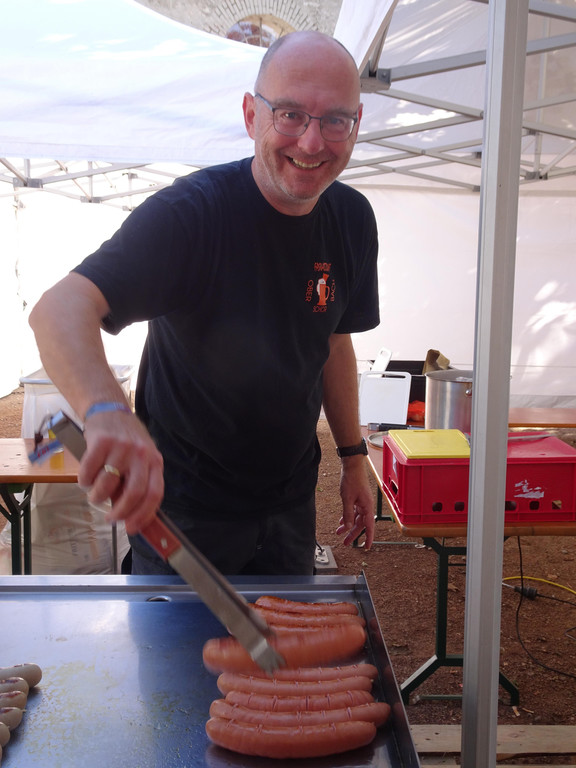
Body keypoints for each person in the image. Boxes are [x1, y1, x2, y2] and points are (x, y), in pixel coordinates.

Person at [29, 30, 380, 576]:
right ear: (251, 115)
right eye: (290, 115)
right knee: (177, 636)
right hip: (184, 511)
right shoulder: (191, 215)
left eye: (335, 120)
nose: (312, 143)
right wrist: (106, 412)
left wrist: (354, 457)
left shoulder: (353, 219)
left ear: (356, 123)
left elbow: (334, 343)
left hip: (289, 505)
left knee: (279, 633)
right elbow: (58, 309)